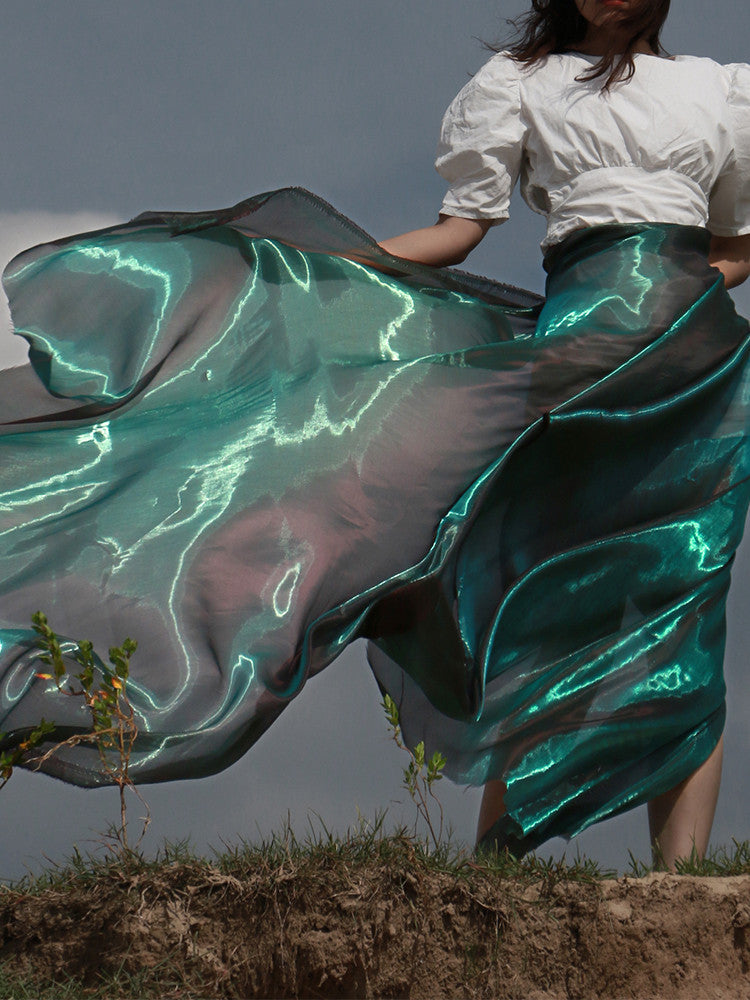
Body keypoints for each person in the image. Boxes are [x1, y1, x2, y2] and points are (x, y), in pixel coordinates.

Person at [0, 0, 748, 871]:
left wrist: (680, 284)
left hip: (694, 356)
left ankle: (685, 881)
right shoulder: (522, 84)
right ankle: (498, 866)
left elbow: (734, 242)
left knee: (688, 596)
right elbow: (458, 233)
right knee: (539, 596)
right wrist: (310, 269)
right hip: (577, 350)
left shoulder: (719, 91)